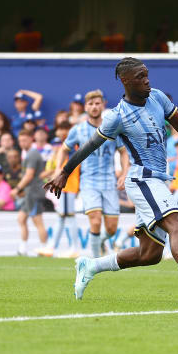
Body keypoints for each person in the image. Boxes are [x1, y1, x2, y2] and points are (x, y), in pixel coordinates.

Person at [45, 57, 178, 304]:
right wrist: (65, 172)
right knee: (177, 223)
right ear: (125, 80)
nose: (147, 80)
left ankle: (91, 266)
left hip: (156, 180)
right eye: (140, 77)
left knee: (149, 254)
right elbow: (89, 146)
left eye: (147, 74)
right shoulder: (117, 116)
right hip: (142, 179)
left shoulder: (158, 97)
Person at [53, 89, 129, 258]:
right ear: (85, 107)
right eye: (90, 104)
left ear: (103, 105)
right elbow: (63, 150)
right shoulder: (78, 130)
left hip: (109, 182)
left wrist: (124, 173)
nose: (94, 107)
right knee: (95, 220)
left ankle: (102, 242)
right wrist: (59, 169)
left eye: (97, 103)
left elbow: (123, 152)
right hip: (88, 182)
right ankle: (94, 261)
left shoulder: (113, 128)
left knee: (111, 229)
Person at [42, 121, 81, 257]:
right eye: (60, 129)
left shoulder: (70, 147)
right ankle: (52, 247)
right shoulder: (69, 146)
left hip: (68, 185)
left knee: (69, 217)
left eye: (64, 129)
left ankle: (73, 248)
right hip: (66, 186)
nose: (61, 132)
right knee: (62, 217)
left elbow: (68, 166)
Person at [11, 129, 48, 256]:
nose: (22, 143)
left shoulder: (32, 154)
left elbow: (29, 175)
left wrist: (17, 189)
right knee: (21, 219)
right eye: (20, 141)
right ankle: (23, 249)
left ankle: (44, 248)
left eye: (24, 140)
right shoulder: (29, 154)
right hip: (29, 193)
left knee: (38, 221)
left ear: (31, 140)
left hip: (34, 192)